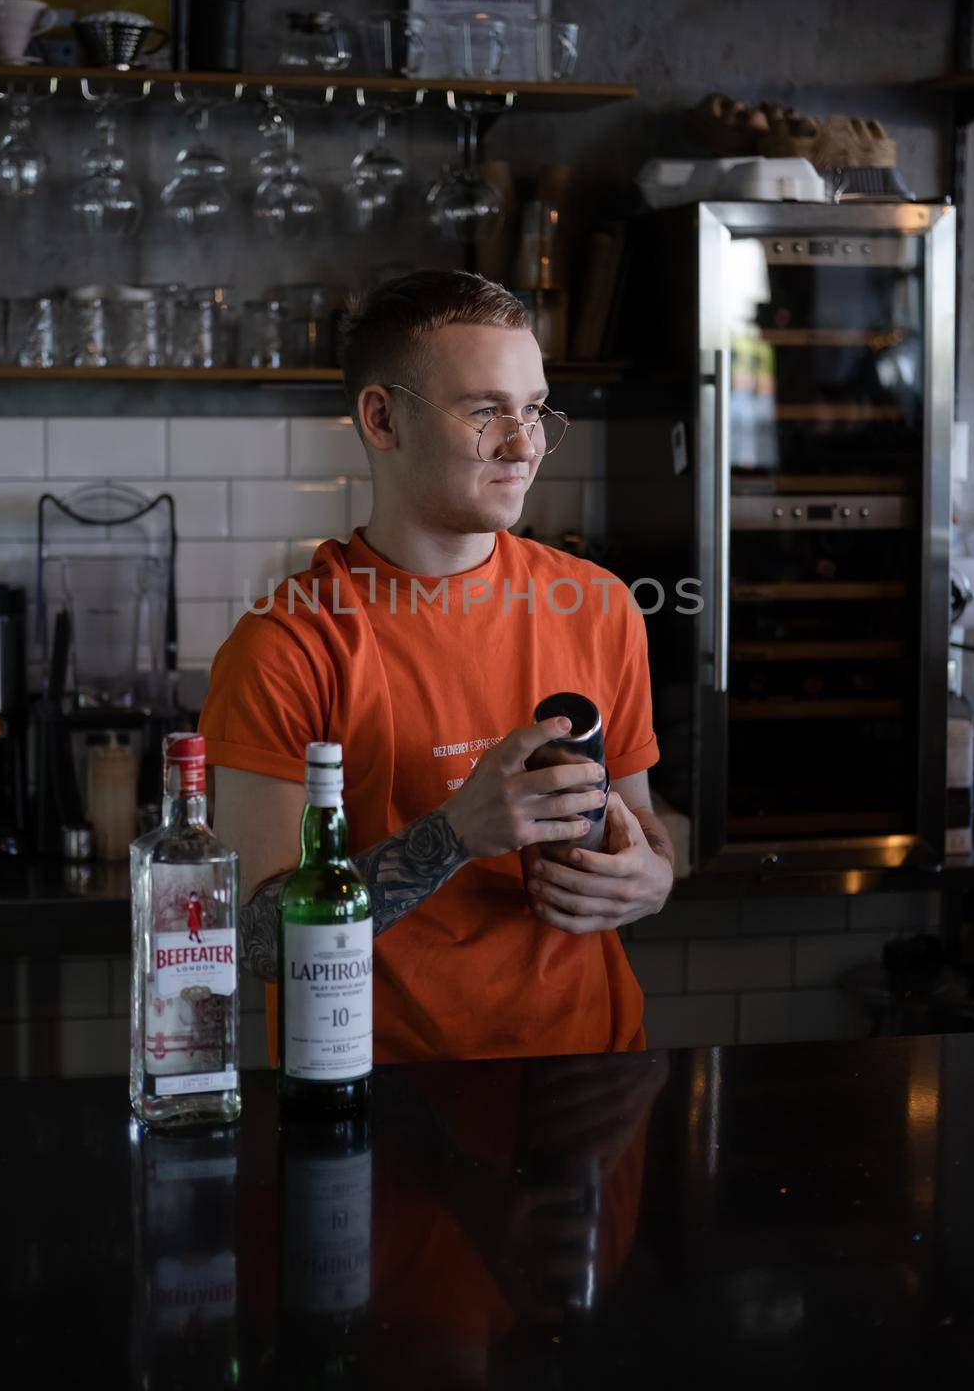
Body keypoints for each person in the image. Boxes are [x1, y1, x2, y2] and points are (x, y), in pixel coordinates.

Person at [200, 270, 674, 1064]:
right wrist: (456, 834)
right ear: (381, 419)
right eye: (484, 412)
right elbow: (253, 939)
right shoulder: (286, 645)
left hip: (589, 1081)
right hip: (379, 1098)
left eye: (532, 411)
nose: (523, 447)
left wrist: (650, 878)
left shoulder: (599, 606)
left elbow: (645, 828)